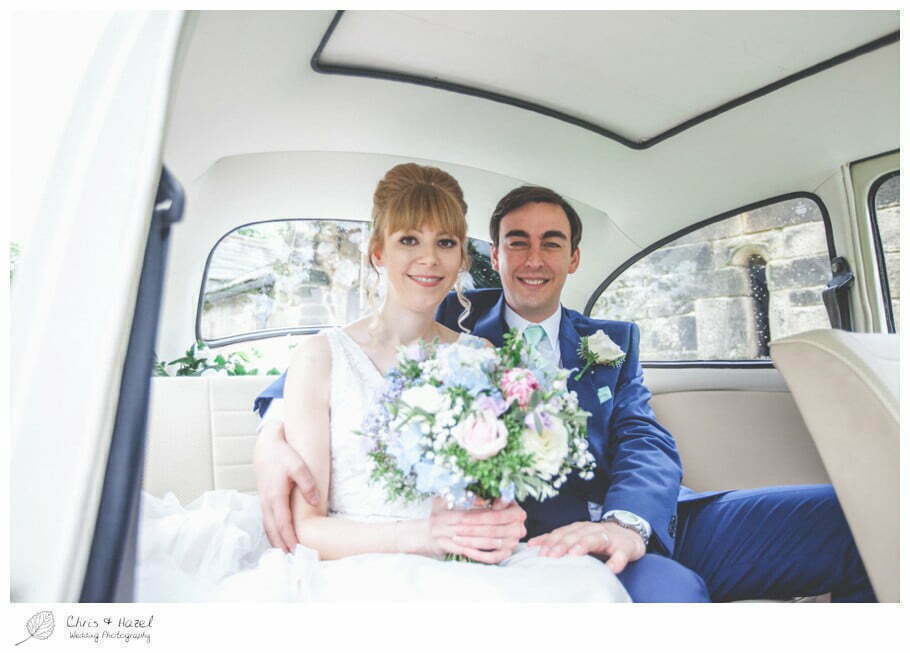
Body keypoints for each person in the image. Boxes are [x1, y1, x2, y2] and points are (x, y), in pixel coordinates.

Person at [254, 184, 876, 602]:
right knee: (674, 599)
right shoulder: (451, 324)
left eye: (551, 242)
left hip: (661, 519)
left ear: (574, 259)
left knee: (864, 514)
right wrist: (271, 434)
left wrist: (632, 523)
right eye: (516, 242)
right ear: (491, 257)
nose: (533, 258)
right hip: (554, 548)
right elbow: (336, 372)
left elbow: (643, 436)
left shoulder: (612, 339)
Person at [136, 164, 630, 602]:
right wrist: (426, 535)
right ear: (378, 252)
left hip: (461, 570)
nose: (429, 260)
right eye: (408, 240)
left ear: (463, 257)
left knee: (590, 590)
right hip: (350, 570)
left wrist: (500, 524)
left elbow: (491, 493)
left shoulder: (481, 357)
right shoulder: (321, 358)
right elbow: (307, 531)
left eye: (445, 243)